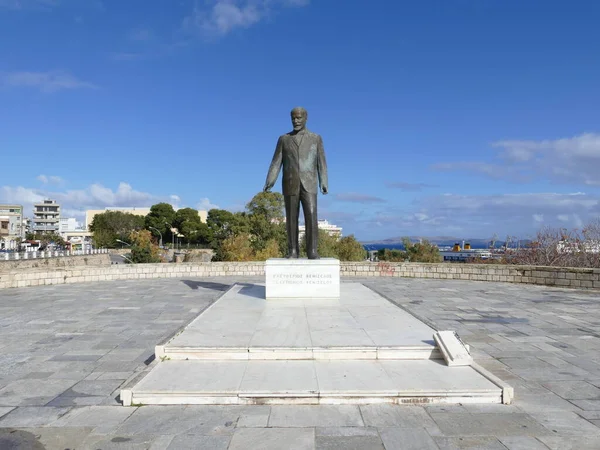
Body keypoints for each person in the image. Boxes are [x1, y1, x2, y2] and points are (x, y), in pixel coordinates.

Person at [264, 107, 328, 259]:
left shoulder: (315, 138)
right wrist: (269, 180)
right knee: (291, 218)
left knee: (311, 216)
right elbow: (276, 162)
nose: (296, 121)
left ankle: (312, 251)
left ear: (306, 118)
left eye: (299, 118)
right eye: (293, 118)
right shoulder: (284, 139)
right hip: (290, 183)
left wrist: (323, 181)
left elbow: (322, 162)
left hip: (310, 183)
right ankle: (293, 250)